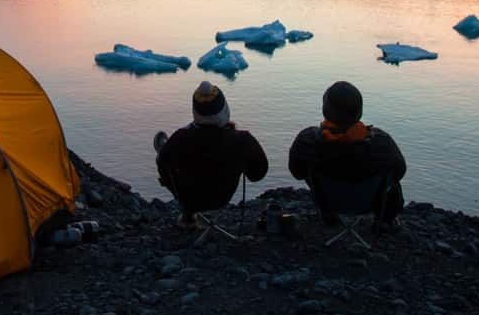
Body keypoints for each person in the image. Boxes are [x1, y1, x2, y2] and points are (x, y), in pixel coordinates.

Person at [287, 81, 406, 226]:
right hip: (369, 205)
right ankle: (386, 221)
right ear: (359, 112)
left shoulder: (307, 140)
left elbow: (297, 173)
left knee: (308, 168)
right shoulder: (382, 142)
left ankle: (329, 215)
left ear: (325, 109)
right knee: (392, 174)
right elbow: (400, 172)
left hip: (328, 202)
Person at [154, 81, 268, 225]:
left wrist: (169, 181)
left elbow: (162, 164)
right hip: (221, 198)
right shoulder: (242, 139)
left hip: (189, 198)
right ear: (224, 109)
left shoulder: (180, 137)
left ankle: (188, 215)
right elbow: (258, 174)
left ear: (195, 111)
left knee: (164, 157)